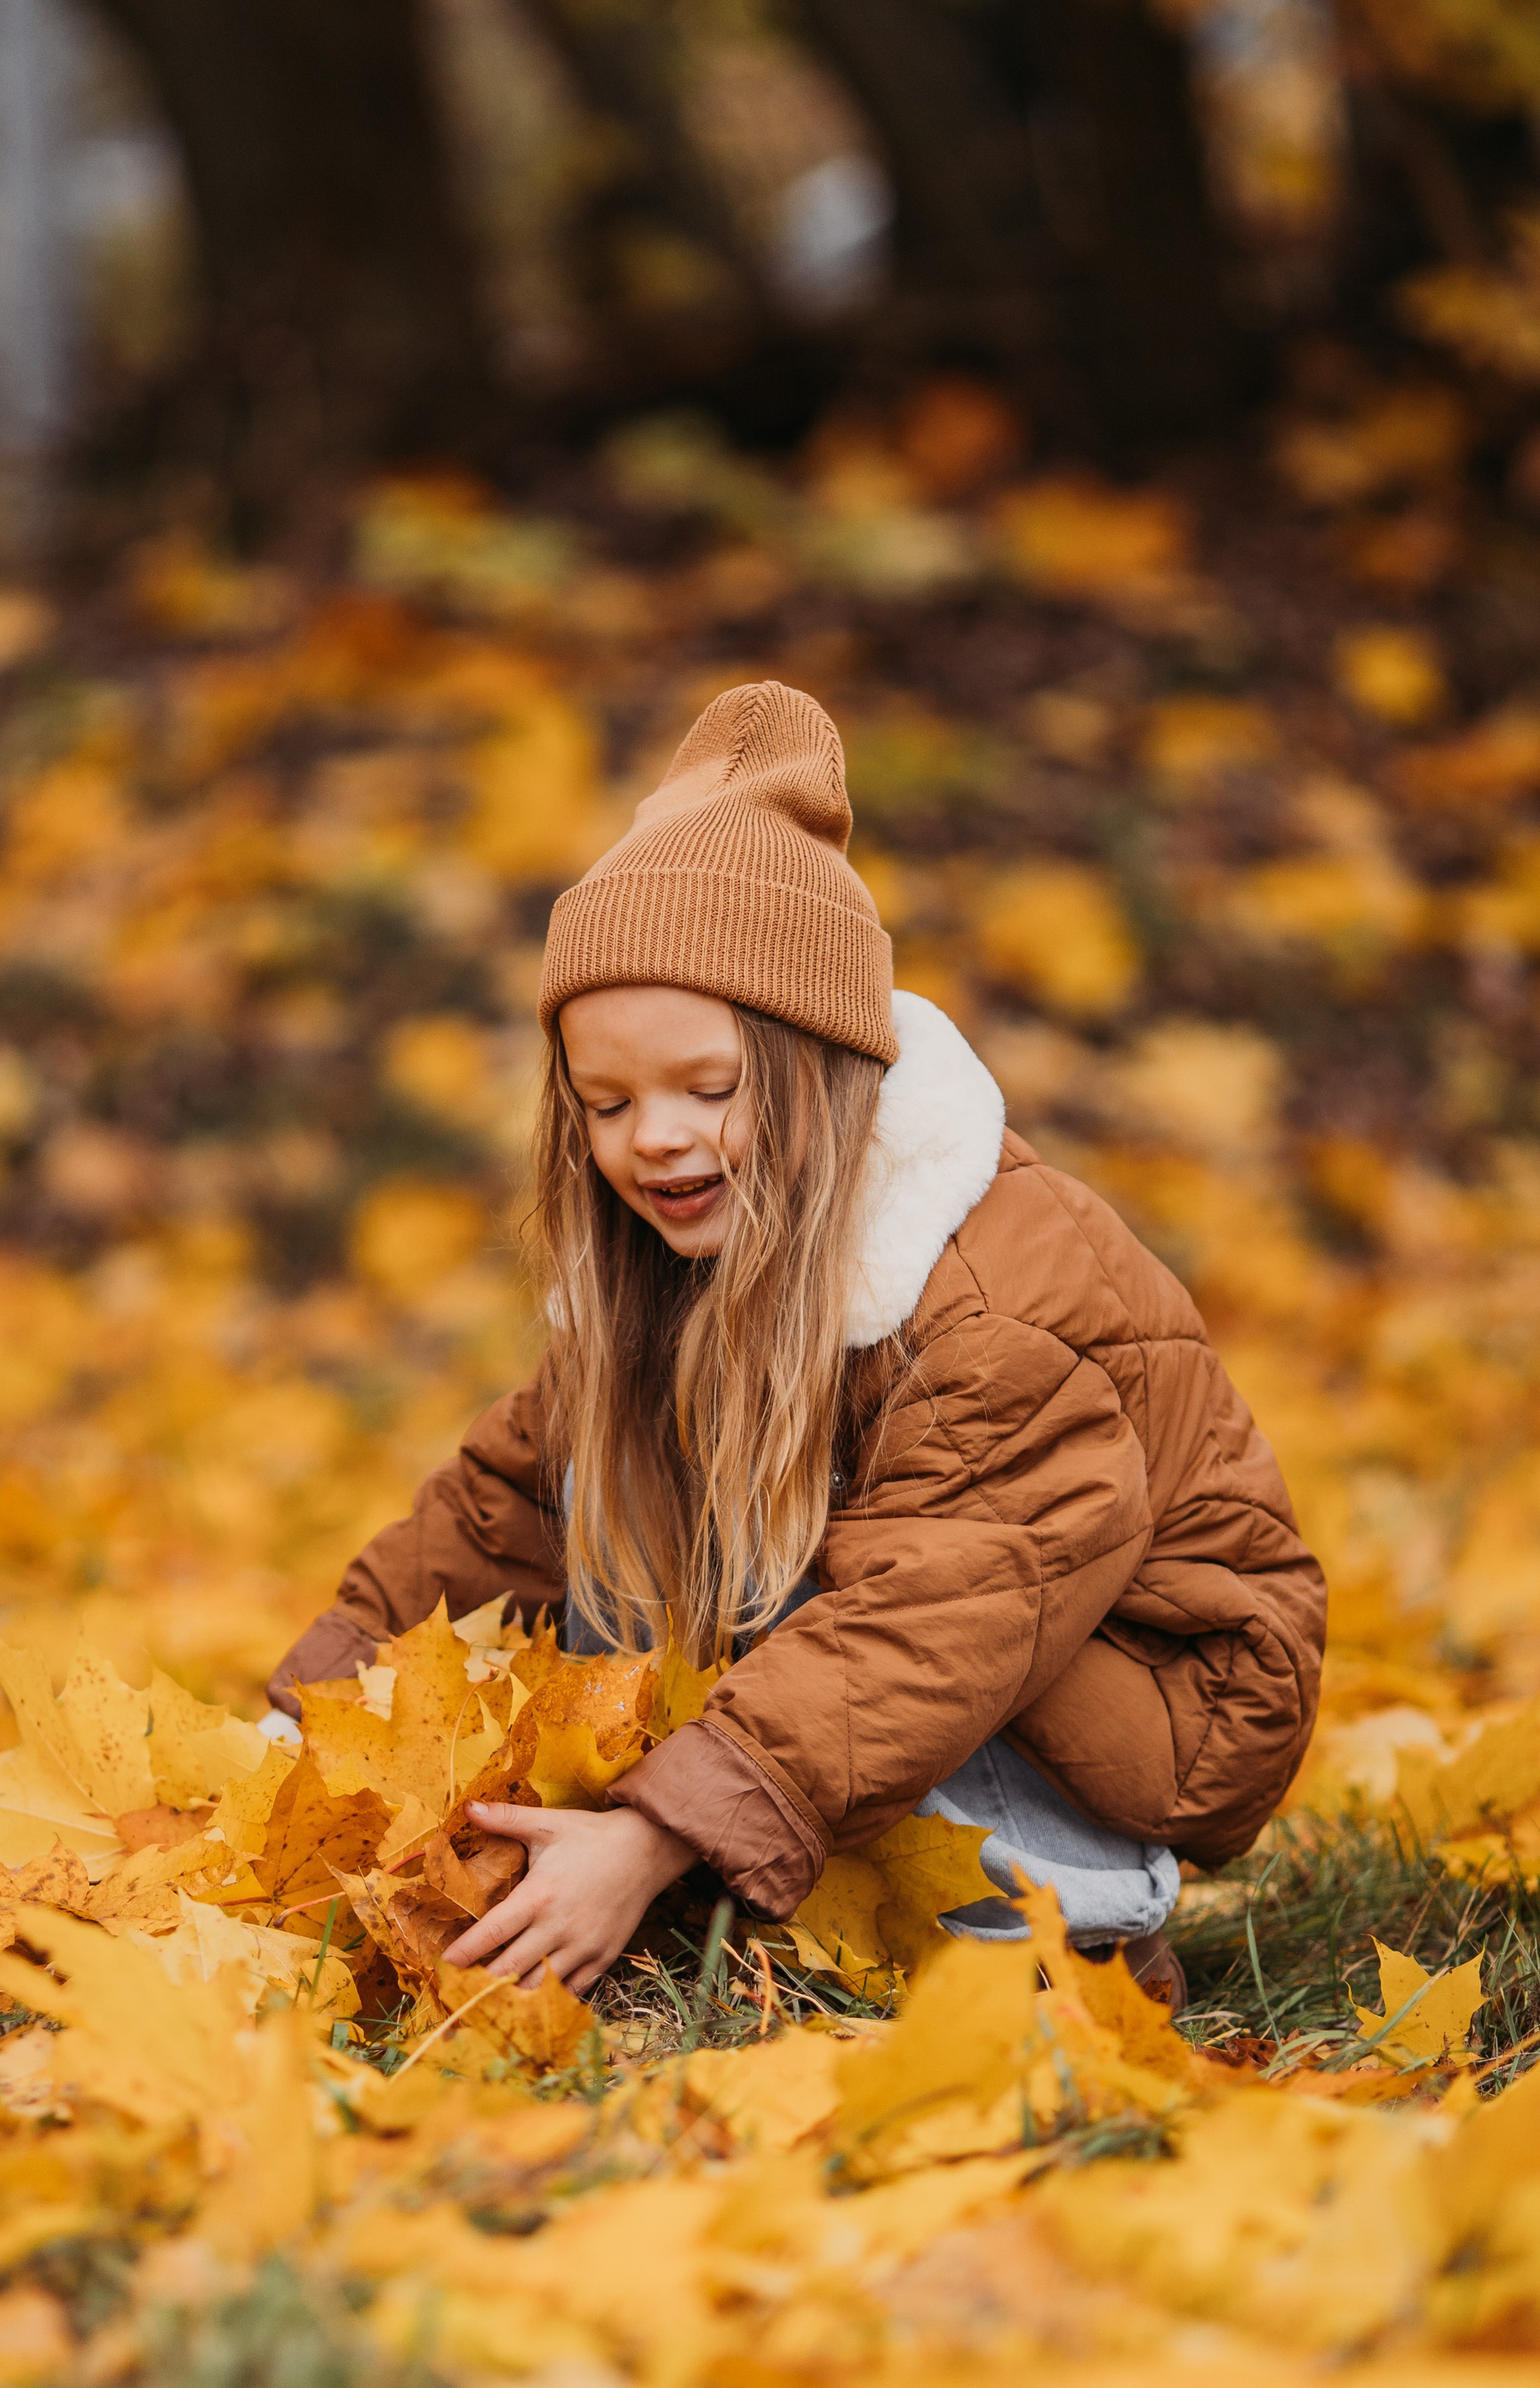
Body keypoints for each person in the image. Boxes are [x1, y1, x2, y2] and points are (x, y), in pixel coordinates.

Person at [269, 682, 1325, 2009]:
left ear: (822, 1070)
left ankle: (1068, 1936)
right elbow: (497, 1520)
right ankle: (757, 1870)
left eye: (708, 1091)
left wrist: (652, 1838)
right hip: (924, 1637)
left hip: (1134, 1698)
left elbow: (943, 1613)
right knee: (599, 1454)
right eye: (607, 1103)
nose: (653, 1137)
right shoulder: (681, 1263)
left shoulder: (982, 1303)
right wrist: (300, 1738)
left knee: (864, 1576)